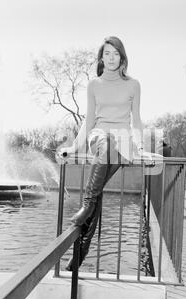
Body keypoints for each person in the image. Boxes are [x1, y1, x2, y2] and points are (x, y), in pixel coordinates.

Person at [57, 36, 144, 271]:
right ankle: (86, 210)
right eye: (107, 53)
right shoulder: (94, 85)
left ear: (122, 57)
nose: (111, 57)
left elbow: (136, 119)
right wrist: (75, 147)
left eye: (116, 53)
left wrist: (141, 145)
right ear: (101, 57)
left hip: (122, 142)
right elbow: (89, 119)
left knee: (97, 193)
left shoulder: (133, 84)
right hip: (100, 137)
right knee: (105, 144)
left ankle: (81, 249)